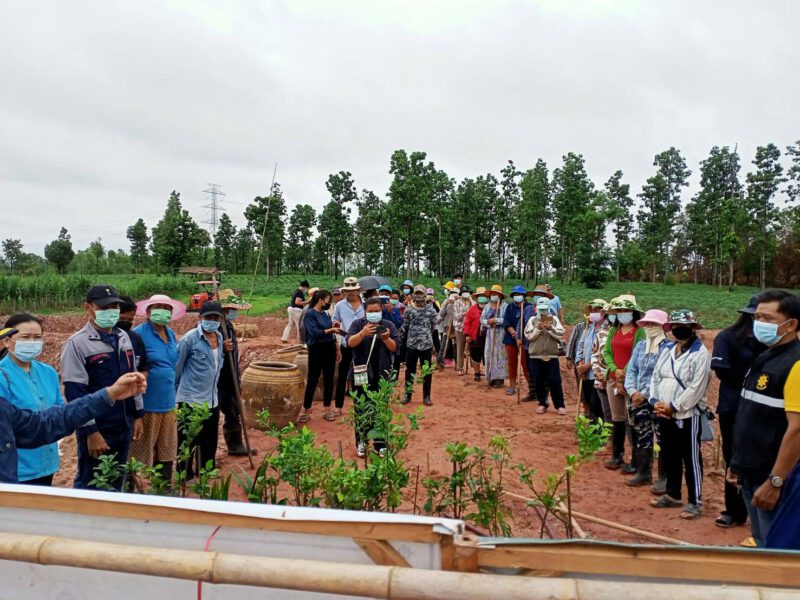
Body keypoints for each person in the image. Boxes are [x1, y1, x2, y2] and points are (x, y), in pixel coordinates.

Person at [0, 326, 146, 484]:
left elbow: (46, 423)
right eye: (26, 337)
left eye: (37, 337)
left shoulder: (44, 374)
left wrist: (109, 394)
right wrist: (91, 429)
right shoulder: (5, 376)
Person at [731, 290, 800, 547]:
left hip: (775, 479)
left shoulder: (796, 365)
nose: (758, 323)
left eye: (767, 318)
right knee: (762, 543)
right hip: (752, 473)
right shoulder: (765, 357)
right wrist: (738, 463)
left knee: (778, 550)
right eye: (757, 316)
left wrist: (776, 481)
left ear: (791, 324)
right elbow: (751, 416)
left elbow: (797, 430)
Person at [60, 284, 144, 490]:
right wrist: (91, 432)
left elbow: (134, 379)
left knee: (117, 481)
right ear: (88, 308)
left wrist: (138, 415)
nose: (112, 311)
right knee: (92, 483)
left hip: (123, 425)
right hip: (98, 430)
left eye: (115, 306)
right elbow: (74, 392)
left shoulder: (123, 338)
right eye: (105, 307)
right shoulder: (77, 344)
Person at [649, 309, 711, 521]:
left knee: (691, 458)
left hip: (687, 415)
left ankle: (695, 501)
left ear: (693, 328)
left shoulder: (700, 354)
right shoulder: (668, 350)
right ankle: (673, 494)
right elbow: (656, 377)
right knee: (669, 455)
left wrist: (674, 406)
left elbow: (696, 387)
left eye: (682, 326)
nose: (677, 329)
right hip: (663, 413)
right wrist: (655, 401)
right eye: (674, 326)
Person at [711, 296, 765, 529]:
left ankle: (761, 511)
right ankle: (734, 510)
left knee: (763, 458)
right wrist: (750, 383)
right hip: (734, 407)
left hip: (765, 408)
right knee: (734, 458)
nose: (760, 321)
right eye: (757, 316)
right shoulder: (728, 337)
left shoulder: (772, 343)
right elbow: (721, 369)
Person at [0, 314, 64, 485]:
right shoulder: (2, 375)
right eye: (25, 337)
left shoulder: (48, 372)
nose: (32, 342)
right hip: (16, 468)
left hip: (47, 463)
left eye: (37, 337)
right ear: (7, 341)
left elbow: (59, 409)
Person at [130, 294, 185, 483]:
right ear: (148, 311)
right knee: (141, 454)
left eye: (166, 307)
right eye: (158, 306)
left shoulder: (170, 334)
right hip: (147, 404)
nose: (162, 310)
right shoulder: (138, 334)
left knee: (167, 450)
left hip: (169, 402)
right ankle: (135, 492)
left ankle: (164, 489)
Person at [175, 301, 225, 479]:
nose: (212, 320)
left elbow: (219, 365)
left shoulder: (219, 337)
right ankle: (184, 474)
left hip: (212, 399)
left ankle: (206, 469)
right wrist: (175, 395)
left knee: (209, 439)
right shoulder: (190, 339)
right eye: (208, 317)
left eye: (216, 317)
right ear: (200, 318)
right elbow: (177, 368)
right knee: (188, 439)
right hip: (191, 399)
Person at [346, 297, 399, 457]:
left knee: (380, 410)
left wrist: (386, 338)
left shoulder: (388, 326)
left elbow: (395, 348)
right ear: (365, 311)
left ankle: (380, 444)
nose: (374, 314)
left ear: (381, 310)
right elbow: (349, 342)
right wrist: (362, 333)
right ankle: (361, 441)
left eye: (377, 311)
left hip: (382, 374)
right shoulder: (358, 324)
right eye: (370, 311)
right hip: (362, 374)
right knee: (361, 409)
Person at [623, 309, 670, 487]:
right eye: (647, 323)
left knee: (662, 437)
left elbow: (662, 375)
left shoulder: (669, 348)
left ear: (663, 326)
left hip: (658, 400)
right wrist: (632, 391)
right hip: (638, 399)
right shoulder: (641, 346)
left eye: (654, 324)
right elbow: (632, 370)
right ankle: (644, 473)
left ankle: (664, 478)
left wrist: (645, 394)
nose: (649, 327)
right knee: (642, 435)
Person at [603, 295, 645, 471]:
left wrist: (623, 374)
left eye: (625, 310)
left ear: (633, 312)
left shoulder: (639, 331)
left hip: (632, 381)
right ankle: (617, 455)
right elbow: (607, 352)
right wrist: (615, 370)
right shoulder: (614, 330)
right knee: (618, 418)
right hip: (613, 379)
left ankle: (636, 460)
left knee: (633, 419)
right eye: (618, 311)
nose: (621, 314)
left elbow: (637, 354)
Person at [216, 290, 256, 456]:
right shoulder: (215, 327)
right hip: (216, 378)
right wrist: (220, 348)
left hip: (230, 376)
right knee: (209, 417)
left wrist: (238, 381)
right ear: (224, 310)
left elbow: (233, 357)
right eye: (232, 309)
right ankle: (205, 456)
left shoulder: (229, 327)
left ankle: (235, 445)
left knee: (233, 411)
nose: (235, 312)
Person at [299, 290, 342, 423]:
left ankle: (327, 409)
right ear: (321, 300)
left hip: (328, 347)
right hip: (316, 349)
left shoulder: (325, 314)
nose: (329, 302)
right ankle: (306, 409)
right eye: (328, 299)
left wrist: (336, 348)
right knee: (313, 378)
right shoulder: (310, 314)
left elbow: (331, 335)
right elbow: (314, 333)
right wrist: (331, 329)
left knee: (329, 379)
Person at [525, 297, 567, 414]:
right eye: (541, 309)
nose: (543, 312)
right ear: (536, 308)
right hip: (535, 355)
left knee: (554, 380)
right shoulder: (532, 320)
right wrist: (538, 328)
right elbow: (529, 336)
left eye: (545, 309)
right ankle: (542, 403)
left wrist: (550, 329)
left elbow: (560, 334)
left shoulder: (554, 319)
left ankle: (560, 405)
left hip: (551, 355)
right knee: (539, 381)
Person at [401, 285, 437, 406]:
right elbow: (405, 326)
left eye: (421, 293)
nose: (419, 295)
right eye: (416, 293)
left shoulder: (431, 310)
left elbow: (433, 327)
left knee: (426, 371)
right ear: (413, 294)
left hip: (426, 345)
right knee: (410, 370)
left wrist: (425, 336)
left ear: (425, 294)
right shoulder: (408, 310)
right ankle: (408, 394)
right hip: (412, 345)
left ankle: (426, 396)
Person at [333, 277, 365, 413]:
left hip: (363, 346)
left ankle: (361, 406)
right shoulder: (340, 306)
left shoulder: (366, 305)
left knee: (361, 377)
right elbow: (335, 323)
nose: (351, 293)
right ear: (344, 291)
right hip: (346, 345)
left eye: (353, 290)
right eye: (348, 291)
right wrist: (337, 345)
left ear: (358, 290)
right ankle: (339, 407)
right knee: (342, 376)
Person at [575, 300, 608, 421]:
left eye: (597, 310)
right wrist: (580, 365)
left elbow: (603, 354)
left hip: (598, 374)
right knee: (588, 401)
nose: (594, 313)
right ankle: (592, 431)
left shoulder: (607, 329)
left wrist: (588, 366)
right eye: (593, 310)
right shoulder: (588, 328)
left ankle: (599, 433)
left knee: (597, 404)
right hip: (586, 374)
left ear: (604, 312)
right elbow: (581, 347)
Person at [502, 285, 534, 398]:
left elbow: (531, 323)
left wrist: (521, 335)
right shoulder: (509, 307)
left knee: (526, 364)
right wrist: (513, 332)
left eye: (519, 294)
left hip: (525, 341)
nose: (517, 296)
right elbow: (506, 322)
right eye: (515, 295)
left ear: (524, 296)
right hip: (510, 339)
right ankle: (512, 386)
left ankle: (532, 388)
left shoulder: (529, 307)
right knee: (512, 363)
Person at [481, 285, 508, 389]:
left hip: (501, 333)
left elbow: (506, 319)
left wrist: (496, 320)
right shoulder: (487, 306)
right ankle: (490, 377)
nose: (494, 296)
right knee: (489, 354)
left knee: (500, 355)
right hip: (490, 333)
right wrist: (488, 322)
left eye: (496, 294)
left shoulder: (505, 306)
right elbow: (482, 319)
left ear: (500, 296)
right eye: (492, 294)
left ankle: (499, 378)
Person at [463, 287, 488, 382]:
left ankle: (488, 373)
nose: (482, 298)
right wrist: (467, 334)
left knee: (487, 355)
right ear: (477, 298)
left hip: (487, 337)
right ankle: (477, 373)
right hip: (475, 337)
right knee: (475, 356)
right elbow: (467, 322)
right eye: (480, 296)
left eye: (484, 296)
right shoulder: (472, 309)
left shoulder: (490, 308)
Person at [453, 285, 474, 375]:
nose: (466, 293)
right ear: (461, 294)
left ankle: (475, 368)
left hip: (471, 329)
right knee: (460, 348)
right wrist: (467, 312)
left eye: (468, 292)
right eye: (465, 292)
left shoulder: (473, 303)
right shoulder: (457, 303)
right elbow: (457, 317)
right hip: (460, 328)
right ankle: (460, 367)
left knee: (472, 348)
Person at [436, 287, 459, 367]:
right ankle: (439, 362)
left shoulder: (460, 302)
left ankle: (458, 364)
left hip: (457, 327)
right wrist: (446, 304)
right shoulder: (446, 302)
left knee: (457, 346)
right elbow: (441, 314)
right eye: (452, 292)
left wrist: (457, 302)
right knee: (444, 345)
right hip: (447, 326)